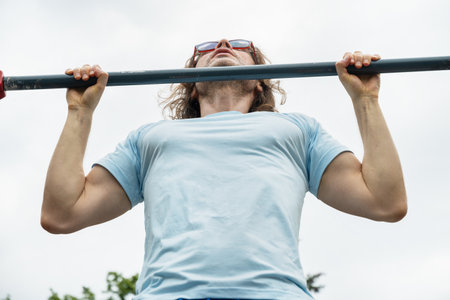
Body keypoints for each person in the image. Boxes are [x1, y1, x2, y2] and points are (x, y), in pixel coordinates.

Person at [41, 39, 407, 300]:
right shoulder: (151, 137)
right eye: (204, 50)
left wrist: (366, 100)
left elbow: (385, 202)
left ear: (260, 78)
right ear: (192, 88)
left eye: (240, 46)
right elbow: (62, 213)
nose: (220, 44)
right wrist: (79, 112)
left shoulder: (297, 130)